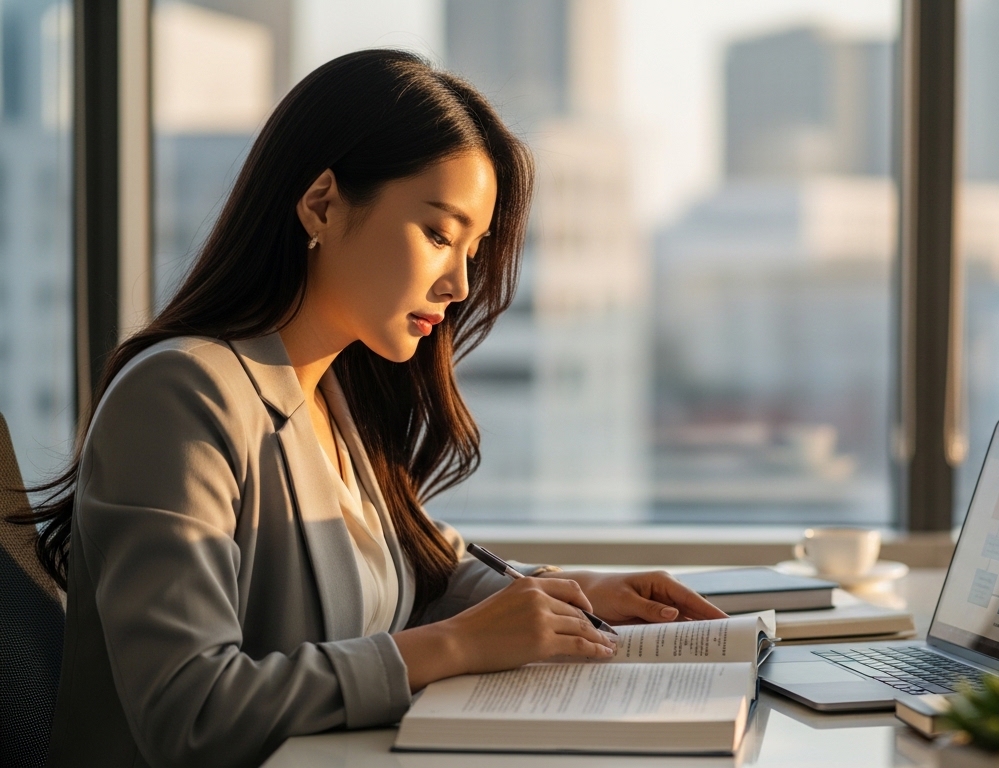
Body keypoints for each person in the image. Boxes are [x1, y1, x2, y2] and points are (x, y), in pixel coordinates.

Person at [17, 50, 726, 768]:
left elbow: (422, 570)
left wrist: (572, 593)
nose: (457, 283)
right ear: (322, 203)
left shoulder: (334, 394)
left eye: (473, 251)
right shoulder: (179, 395)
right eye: (440, 234)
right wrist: (454, 646)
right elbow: (192, 711)